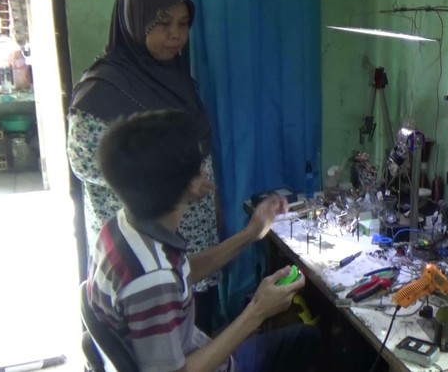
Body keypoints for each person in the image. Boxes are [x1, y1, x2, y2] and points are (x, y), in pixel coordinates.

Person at [88, 109, 320, 372]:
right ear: (189, 184)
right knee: (308, 339)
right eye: (200, 167)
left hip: (189, 348)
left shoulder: (121, 226)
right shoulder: (153, 279)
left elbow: (182, 272)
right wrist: (257, 311)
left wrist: (250, 234)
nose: (205, 171)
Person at [67, 0, 220, 332]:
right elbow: (86, 163)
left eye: (182, 24)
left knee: (197, 329)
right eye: (163, 24)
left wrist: (213, 204)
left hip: (192, 236)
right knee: (159, 342)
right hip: (141, 253)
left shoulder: (178, 79)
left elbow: (197, 147)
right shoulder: (100, 90)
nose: (175, 34)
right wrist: (175, 179)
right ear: (133, 22)